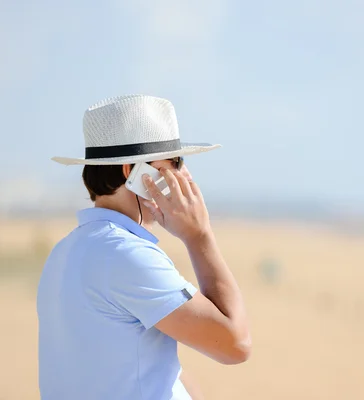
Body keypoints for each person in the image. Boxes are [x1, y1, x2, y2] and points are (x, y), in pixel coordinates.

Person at [37, 94, 251, 400]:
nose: (181, 176)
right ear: (131, 173)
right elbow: (236, 343)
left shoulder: (65, 251)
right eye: (173, 163)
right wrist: (199, 236)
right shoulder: (124, 254)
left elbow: (146, 367)